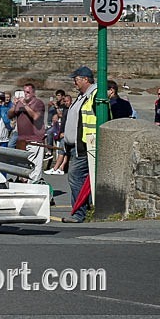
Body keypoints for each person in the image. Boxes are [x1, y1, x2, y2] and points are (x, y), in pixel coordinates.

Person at [62, 66, 97, 223]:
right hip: (76, 146)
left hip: (84, 145)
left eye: (76, 79)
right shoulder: (82, 96)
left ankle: (79, 213)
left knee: (76, 177)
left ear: (85, 79)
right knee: (79, 179)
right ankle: (82, 210)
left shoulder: (94, 95)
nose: (74, 82)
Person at [8, 83, 46, 182]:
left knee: (35, 168)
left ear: (33, 93)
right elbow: (9, 115)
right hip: (22, 140)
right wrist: (15, 104)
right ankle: (24, 185)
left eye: (28, 92)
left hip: (34, 139)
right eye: (24, 92)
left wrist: (25, 105)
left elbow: (35, 117)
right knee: (23, 168)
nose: (25, 94)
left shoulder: (38, 103)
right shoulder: (19, 103)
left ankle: (34, 186)